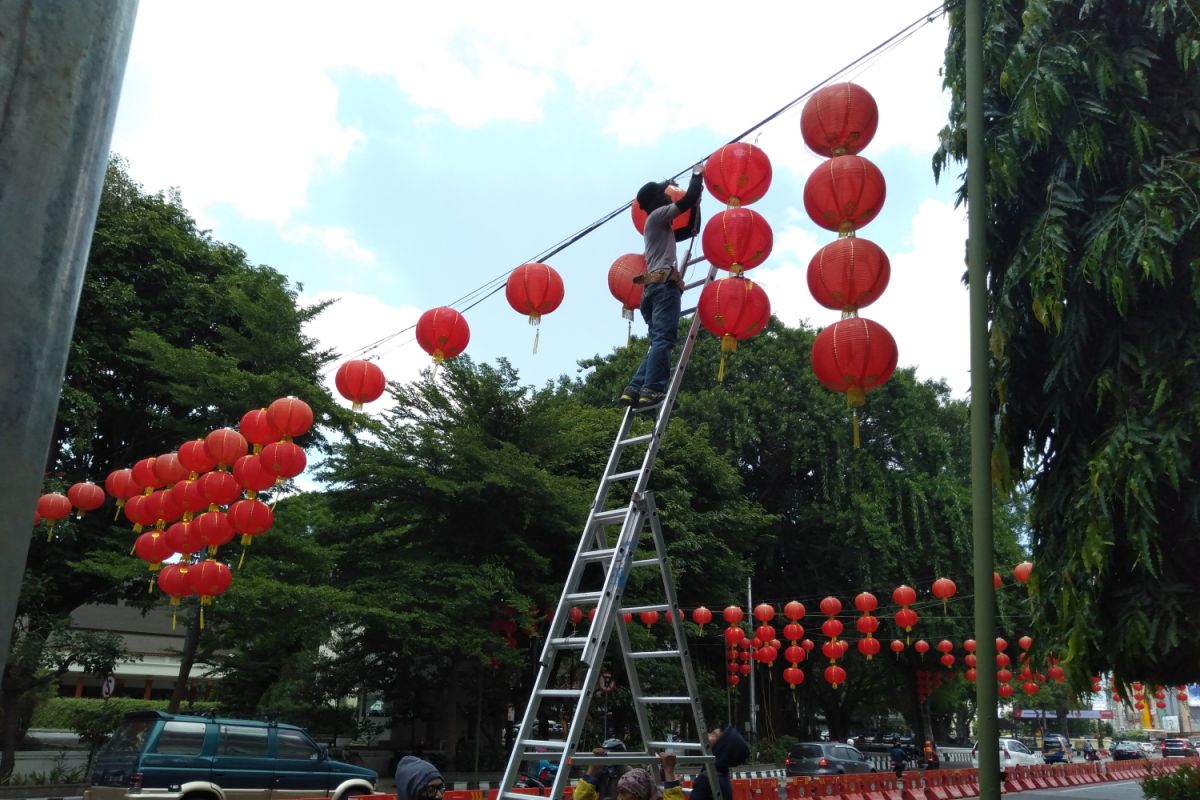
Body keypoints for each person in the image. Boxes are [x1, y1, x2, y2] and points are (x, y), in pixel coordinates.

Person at [620, 163, 705, 411]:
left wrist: (696, 201)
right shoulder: (656, 217)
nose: (668, 193)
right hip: (663, 287)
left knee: (658, 341)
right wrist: (697, 175)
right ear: (656, 200)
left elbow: (691, 230)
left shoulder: (659, 225)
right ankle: (653, 389)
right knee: (663, 340)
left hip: (652, 290)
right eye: (664, 192)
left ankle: (635, 387)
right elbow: (686, 200)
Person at [576, 747, 683, 800]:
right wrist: (592, 769)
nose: (619, 797)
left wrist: (668, 770)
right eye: (619, 792)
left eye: (624, 792)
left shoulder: (625, 769)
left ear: (639, 794)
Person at [690, 724, 749, 800]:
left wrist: (671, 778)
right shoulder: (723, 776)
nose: (707, 735)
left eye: (713, 734)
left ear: (721, 747)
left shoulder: (707, 779)